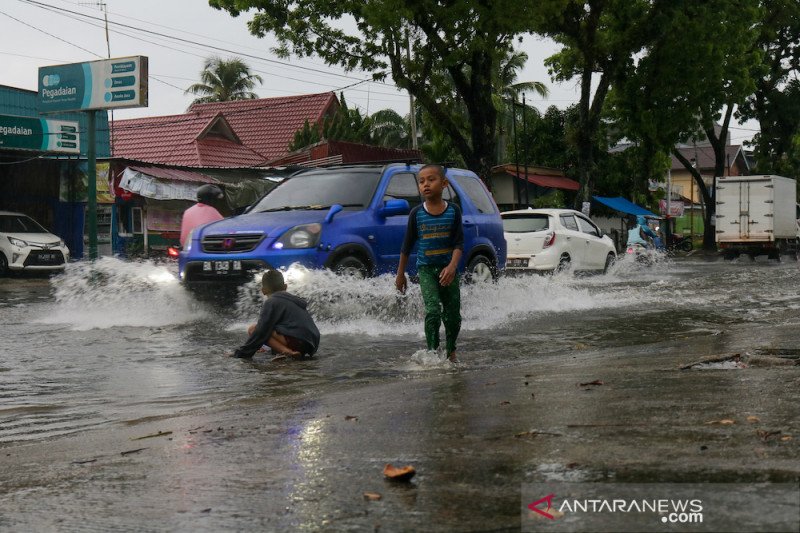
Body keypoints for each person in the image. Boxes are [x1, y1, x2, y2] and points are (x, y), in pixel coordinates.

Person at [395, 164, 464, 362]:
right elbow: (406, 246)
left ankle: (451, 352)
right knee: (433, 311)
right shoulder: (416, 214)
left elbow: (459, 243)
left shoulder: (454, 211)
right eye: (421, 181)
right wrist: (400, 275)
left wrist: (452, 267)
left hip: (448, 270)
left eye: (431, 180)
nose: (425, 184)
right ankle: (433, 354)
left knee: (453, 316)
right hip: (426, 270)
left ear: (444, 184)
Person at [232, 269, 320, 359]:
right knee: (270, 328)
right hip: (311, 344)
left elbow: (260, 332)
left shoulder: (271, 302)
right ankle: (283, 350)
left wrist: (241, 354)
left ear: (263, 290)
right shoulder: (295, 301)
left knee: (253, 329)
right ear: (285, 287)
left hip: (296, 342)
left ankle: (287, 351)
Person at [180, 184, 224, 248]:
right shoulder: (212, 211)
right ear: (211, 199)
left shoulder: (188, 211)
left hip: (186, 248)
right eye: (216, 200)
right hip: (204, 249)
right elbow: (224, 228)